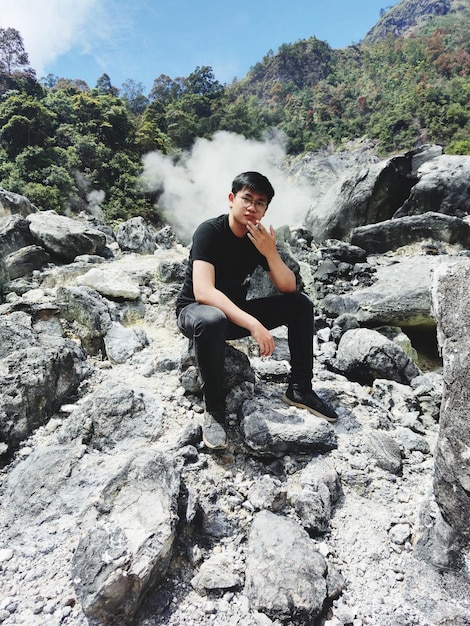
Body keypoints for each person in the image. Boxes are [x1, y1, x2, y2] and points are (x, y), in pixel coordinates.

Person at [176, 171, 338, 450]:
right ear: (232, 199)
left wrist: (271, 252)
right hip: (197, 312)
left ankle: (300, 388)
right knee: (213, 318)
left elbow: (289, 287)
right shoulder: (209, 232)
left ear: (265, 210)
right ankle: (214, 410)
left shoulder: (258, 239)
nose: (252, 207)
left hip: (234, 314)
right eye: (246, 199)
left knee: (300, 305)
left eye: (260, 203)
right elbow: (204, 292)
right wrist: (253, 323)